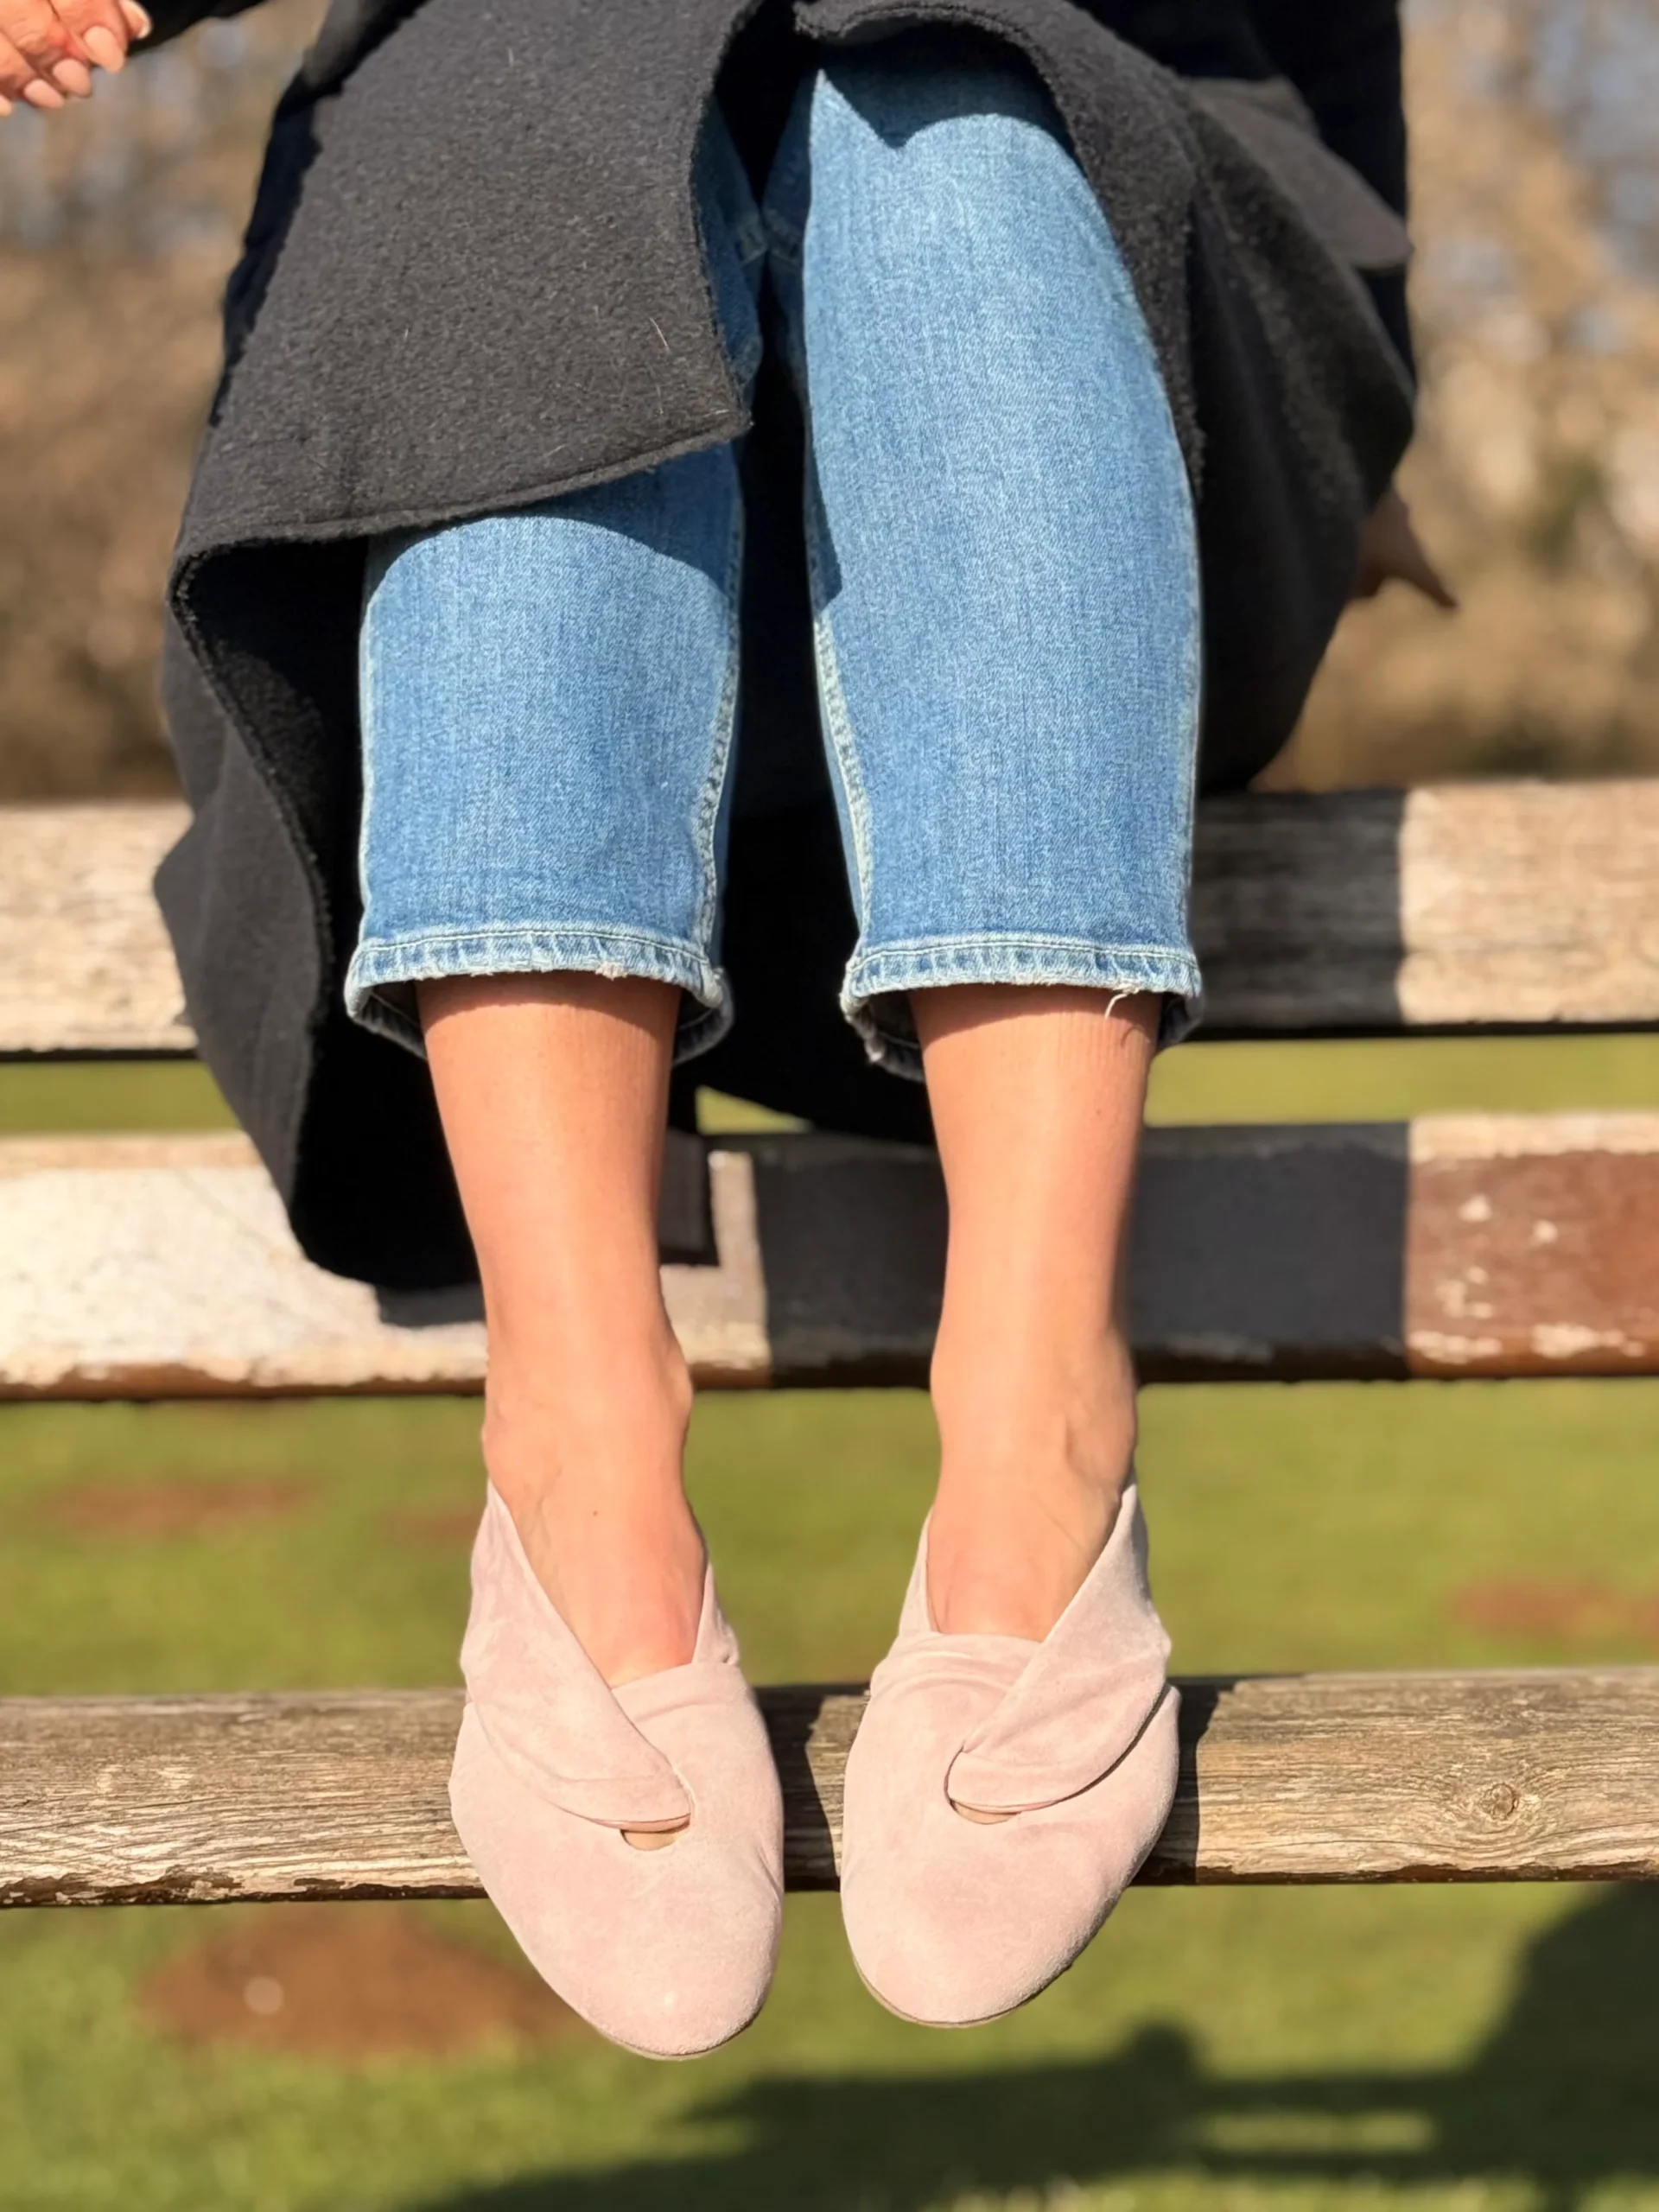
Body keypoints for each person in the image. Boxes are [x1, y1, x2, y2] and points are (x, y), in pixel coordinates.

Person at [8, 0, 1452, 2056]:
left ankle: (1042, 1428)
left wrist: (1366, 397)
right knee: (527, 79)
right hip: (540, 360)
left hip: (1107, 326)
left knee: (948, 123)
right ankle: (579, 1454)